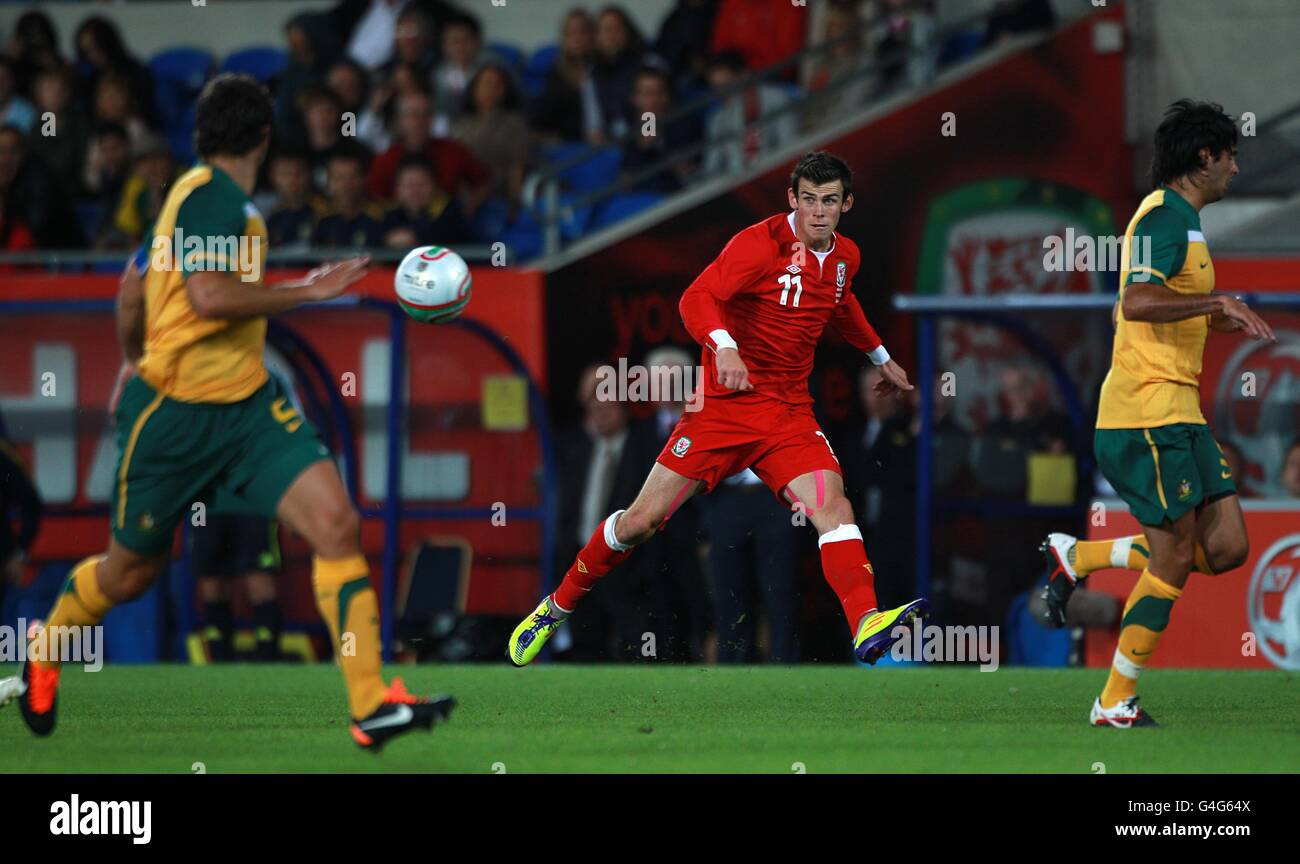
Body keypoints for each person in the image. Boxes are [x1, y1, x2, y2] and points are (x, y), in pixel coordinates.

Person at [2, 73, 453, 749]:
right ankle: (45, 649)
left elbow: (130, 294)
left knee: (335, 523)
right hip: (176, 419)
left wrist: (135, 349)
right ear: (265, 139)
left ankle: (370, 705)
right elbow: (211, 298)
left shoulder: (194, 201)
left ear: (201, 134)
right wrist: (307, 290)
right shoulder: (213, 199)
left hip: (245, 411)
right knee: (129, 573)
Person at [508, 150, 927, 668]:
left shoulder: (846, 258)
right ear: (793, 199)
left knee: (834, 507)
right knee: (641, 522)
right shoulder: (759, 244)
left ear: (847, 205)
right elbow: (696, 298)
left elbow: (841, 304)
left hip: (787, 416)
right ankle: (558, 605)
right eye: (810, 200)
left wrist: (881, 358)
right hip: (721, 414)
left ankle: (867, 624)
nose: (819, 211)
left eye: (831, 201)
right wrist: (725, 346)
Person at [1037, 100, 1274, 728]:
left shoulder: (1185, 225)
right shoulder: (1164, 218)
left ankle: (1079, 559)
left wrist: (1220, 311)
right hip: (1145, 410)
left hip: (1179, 411)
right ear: (1205, 159)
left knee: (1225, 549)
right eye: (1230, 155)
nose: (1237, 167)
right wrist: (1214, 301)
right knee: (1173, 559)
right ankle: (1114, 700)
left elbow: (1167, 300)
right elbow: (1139, 301)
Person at [380, 156, 470, 248]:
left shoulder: (450, 211)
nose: (415, 191)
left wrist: (413, 236)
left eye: (422, 184)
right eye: (409, 185)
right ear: (397, 189)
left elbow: (444, 235)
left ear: (436, 186)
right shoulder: (388, 214)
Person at [314, 146, 385, 248]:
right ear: (328, 182)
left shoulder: (383, 217)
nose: (346, 185)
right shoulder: (319, 219)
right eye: (339, 178)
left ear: (364, 179)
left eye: (353, 177)